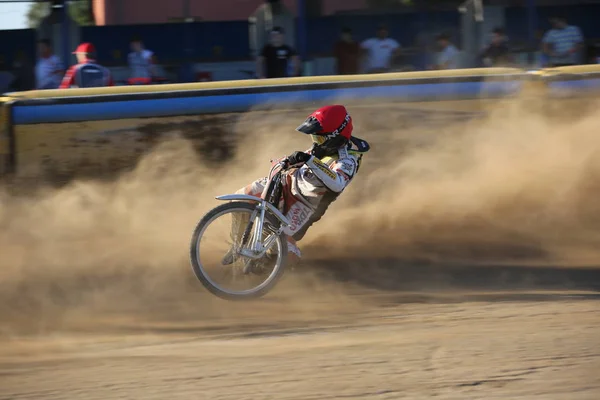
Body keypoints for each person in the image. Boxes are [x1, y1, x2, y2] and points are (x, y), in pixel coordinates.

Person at [224, 105, 370, 267]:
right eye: (314, 138)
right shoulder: (324, 147)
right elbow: (306, 158)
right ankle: (238, 245)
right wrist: (288, 161)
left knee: (278, 252)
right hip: (285, 183)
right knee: (238, 199)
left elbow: (337, 183)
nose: (316, 142)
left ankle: (293, 260)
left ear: (335, 137)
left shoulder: (349, 159)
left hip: (305, 204)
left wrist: (309, 160)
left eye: (320, 138)